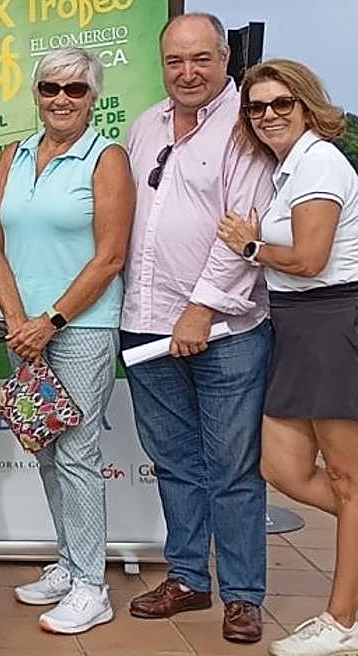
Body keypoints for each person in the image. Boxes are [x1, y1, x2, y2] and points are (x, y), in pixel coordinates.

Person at [121, 13, 274, 645]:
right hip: (146, 324)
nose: (188, 73)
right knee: (175, 461)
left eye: (202, 59)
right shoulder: (144, 125)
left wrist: (203, 309)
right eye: (176, 61)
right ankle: (187, 577)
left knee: (233, 467)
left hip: (227, 332)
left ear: (225, 60)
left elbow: (245, 229)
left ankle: (242, 595)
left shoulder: (247, 128)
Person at [0, 47, 133, 634]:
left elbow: (110, 256)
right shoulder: (13, 153)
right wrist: (19, 320)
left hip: (80, 328)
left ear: (93, 97)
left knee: (75, 454)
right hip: (23, 330)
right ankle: (70, 564)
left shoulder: (107, 158)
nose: (61, 99)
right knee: (45, 448)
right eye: (51, 88)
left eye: (75, 90)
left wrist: (51, 321)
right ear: (36, 93)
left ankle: (93, 587)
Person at [215, 59, 358, 656]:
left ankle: (342, 621)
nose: (268, 114)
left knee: (349, 481)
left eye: (281, 104)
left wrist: (248, 244)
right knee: (282, 467)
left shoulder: (320, 159)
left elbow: (309, 258)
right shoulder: (286, 168)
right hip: (296, 324)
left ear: (305, 106)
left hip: (330, 319)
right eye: (257, 107)